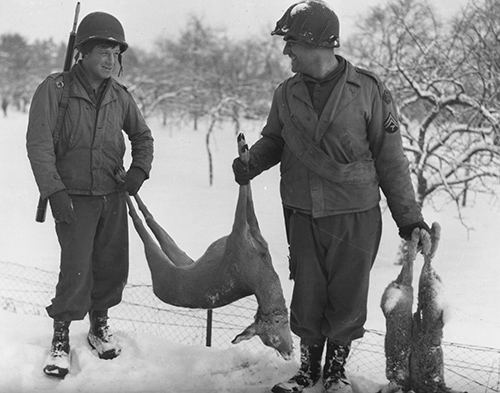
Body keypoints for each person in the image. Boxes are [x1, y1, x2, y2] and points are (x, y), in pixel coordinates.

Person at [231, 1, 430, 392]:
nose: (286, 50)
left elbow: (391, 161)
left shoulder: (369, 91)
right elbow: (275, 139)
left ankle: (336, 373)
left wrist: (409, 219)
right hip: (303, 214)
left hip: (355, 215)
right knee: (307, 296)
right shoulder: (285, 94)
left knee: (347, 296)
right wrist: (251, 162)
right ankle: (307, 372)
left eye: (291, 42)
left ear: (315, 42)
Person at [26, 11, 154, 378]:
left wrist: (138, 172)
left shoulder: (120, 95)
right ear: (82, 52)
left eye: (116, 53)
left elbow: (142, 136)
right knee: (75, 270)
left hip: (111, 196)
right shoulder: (55, 90)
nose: (111, 59)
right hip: (73, 197)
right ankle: (62, 338)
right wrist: (54, 192)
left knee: (112, 267)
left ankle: (99, 326)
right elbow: (38, 145)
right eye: (103, 51)